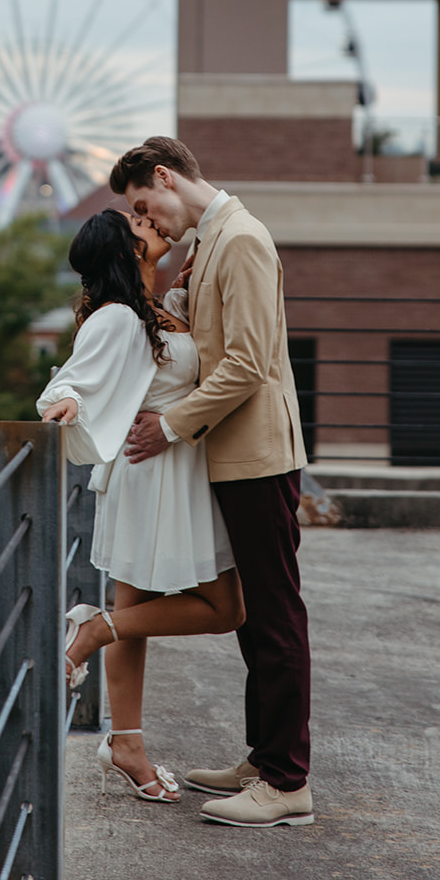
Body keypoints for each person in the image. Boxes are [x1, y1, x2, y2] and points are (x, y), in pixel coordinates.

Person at [110, 135, 313, 829]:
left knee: (276, 616)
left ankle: (287, 783)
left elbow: (248, 364)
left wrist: (168, 427)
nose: (148, 221)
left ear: (165, 178)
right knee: (254, 619)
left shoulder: (242, 239)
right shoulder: (207, 243)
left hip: (256, 454)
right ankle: (265, 758)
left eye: (144, 204)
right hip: (227, 454)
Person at [37, 206, 244, 806]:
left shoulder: (156, 311)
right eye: (138, 224)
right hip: (153, 474)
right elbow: (70, 378)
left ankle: (125, 741)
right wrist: (67, 401)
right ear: (128, 251)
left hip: (165, 471)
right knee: (225, 607)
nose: (149, 220)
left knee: (139, 612)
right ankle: (95, 629)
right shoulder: (121, 318)